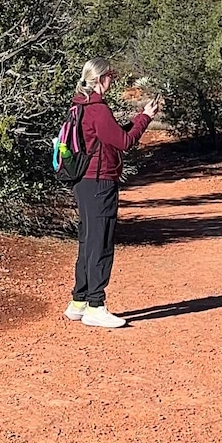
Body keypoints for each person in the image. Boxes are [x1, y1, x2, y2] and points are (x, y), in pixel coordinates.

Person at [61, 63, 152, 328]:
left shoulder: (79, 105)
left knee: (88, 240)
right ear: (102, 78)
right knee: (100, 243)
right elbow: (124, 142)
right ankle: (95, 305)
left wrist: (139, 117)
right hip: (100, 181)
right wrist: (145, 119)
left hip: (83, 181)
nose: (113, 80)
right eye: (111, 76)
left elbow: (112, 134)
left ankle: (79, 302)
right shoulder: (98, 109)